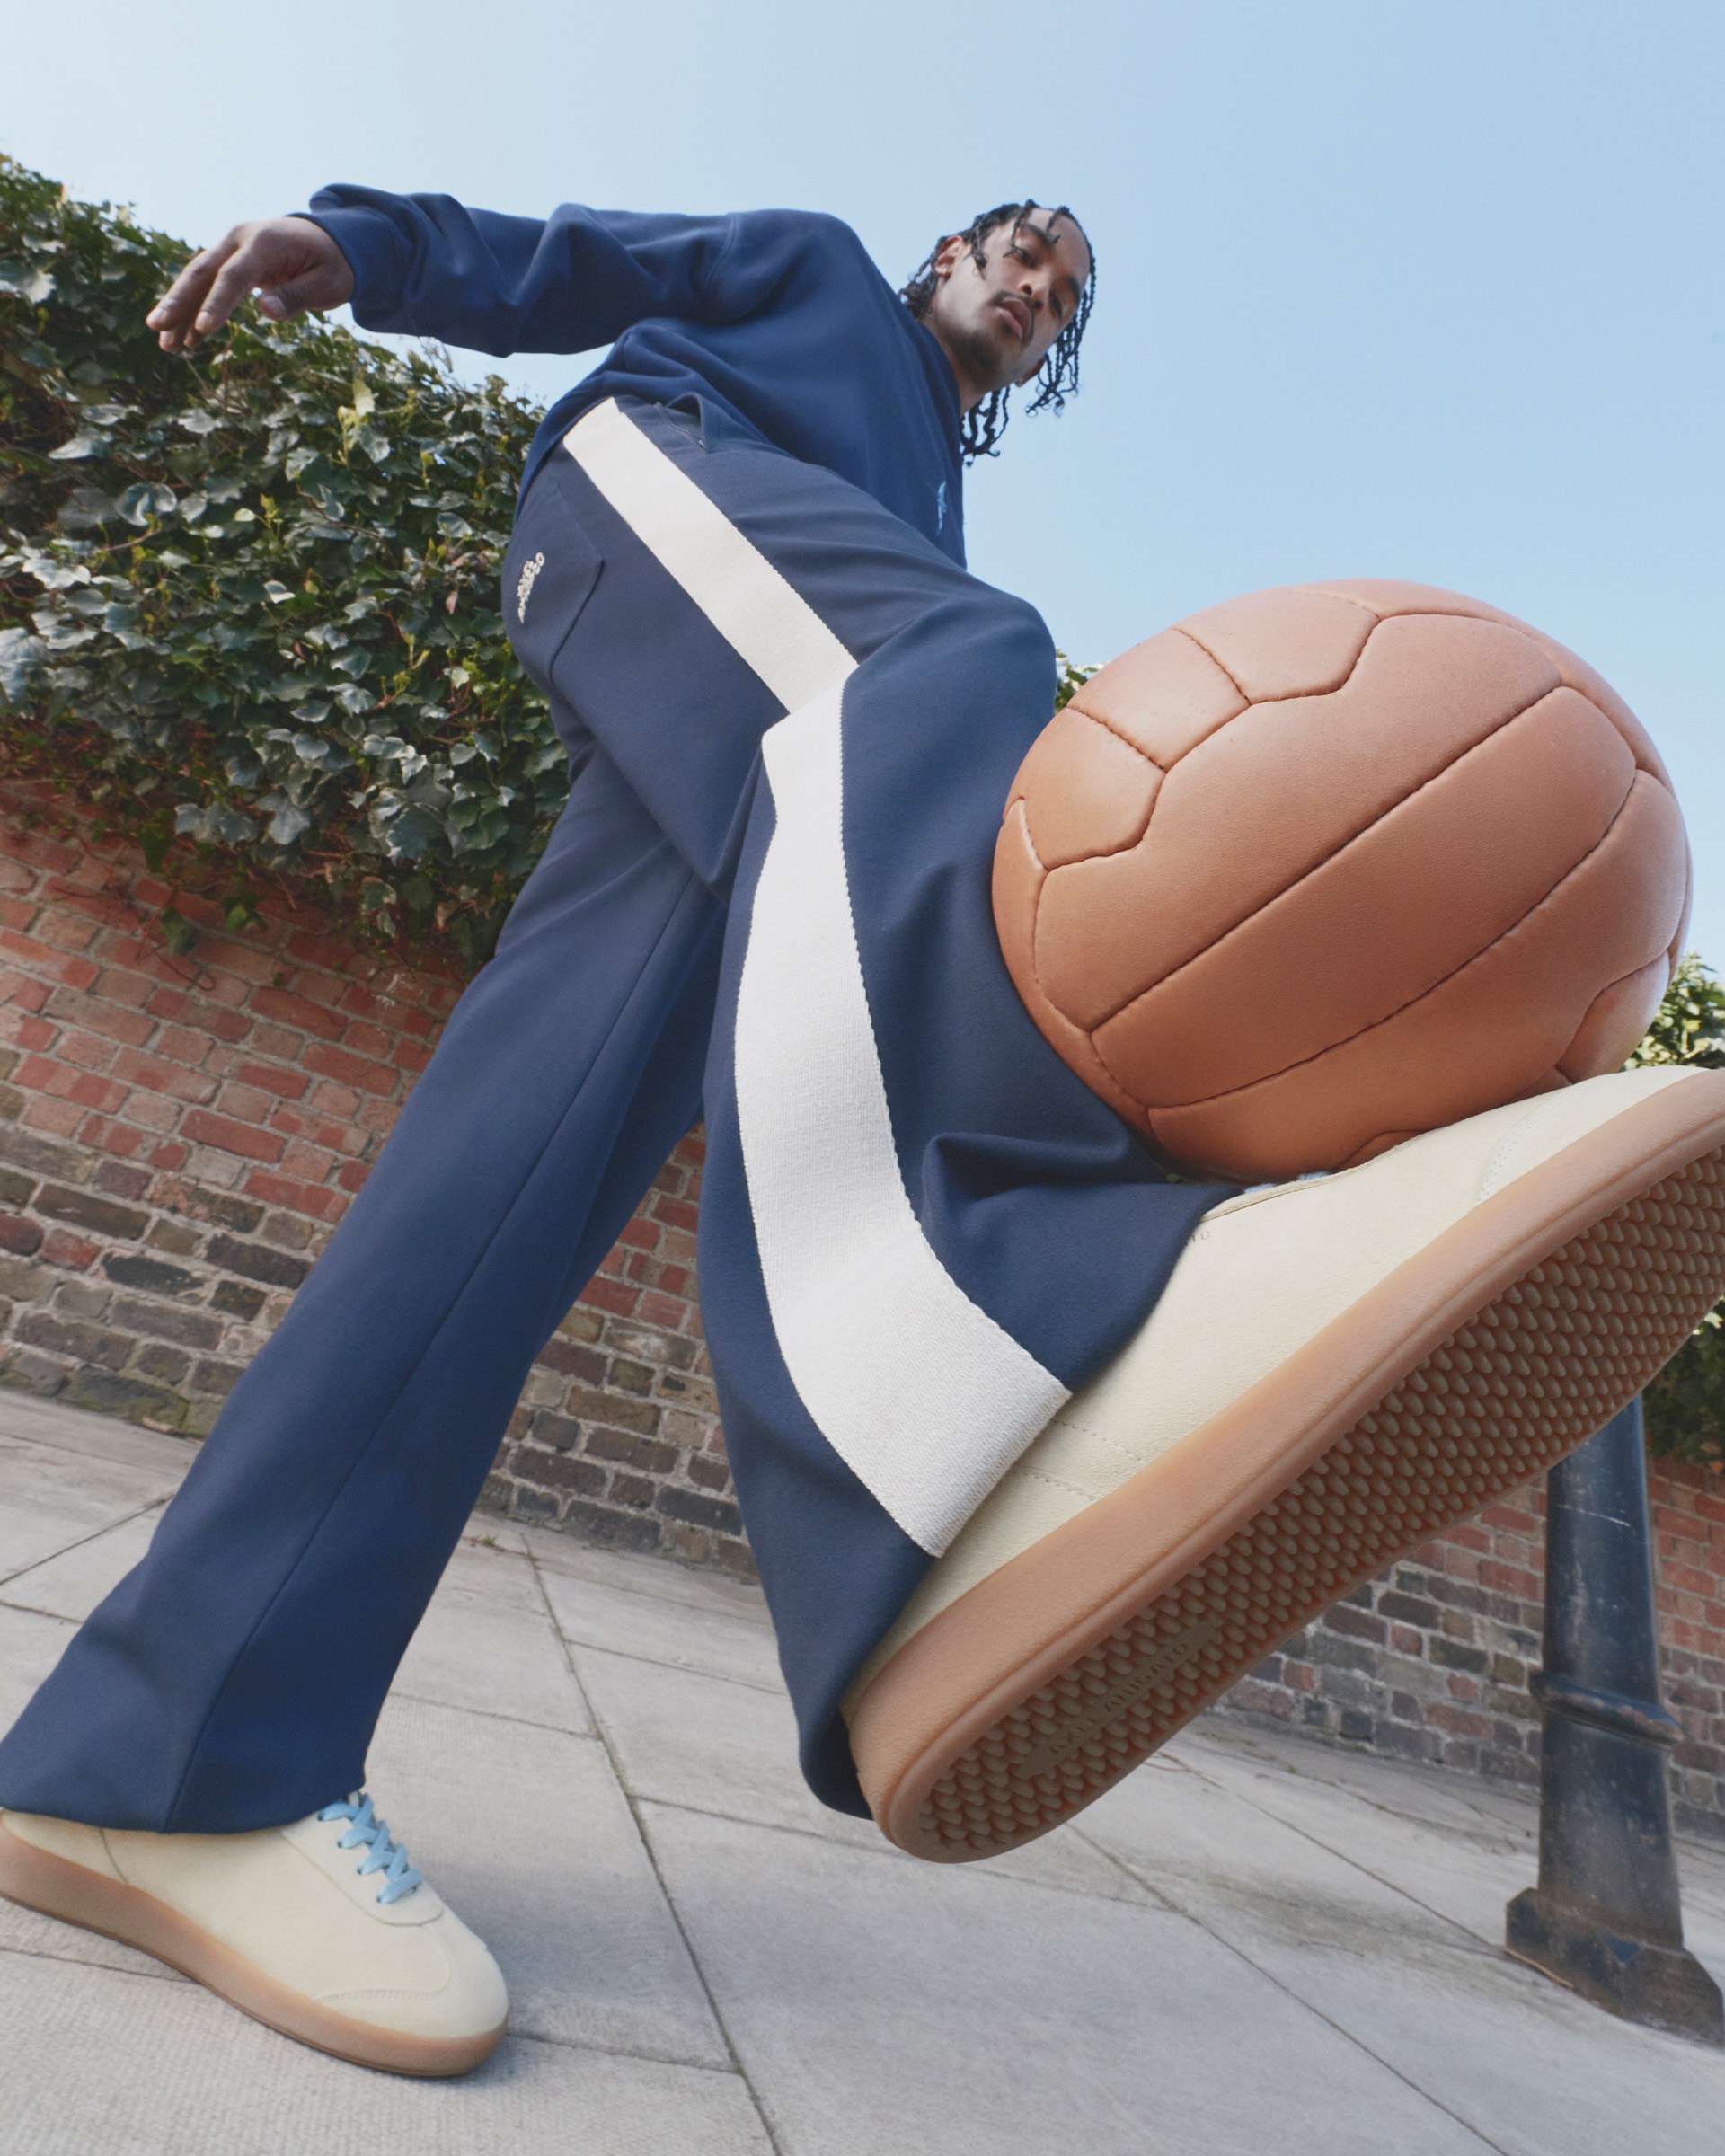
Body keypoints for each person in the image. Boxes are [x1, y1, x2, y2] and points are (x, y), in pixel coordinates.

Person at [4, 184, 1722, 2077]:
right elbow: (595, 261)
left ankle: (172, 1764)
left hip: (731, 762)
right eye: (1021, 260)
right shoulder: (815, 277)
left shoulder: (925, 505)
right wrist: (369, 245)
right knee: (958, 667)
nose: (1036, 299)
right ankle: (977, 1386)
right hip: (651, 502)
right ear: (943, 259)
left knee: (492, 1213)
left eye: (1062, 302)